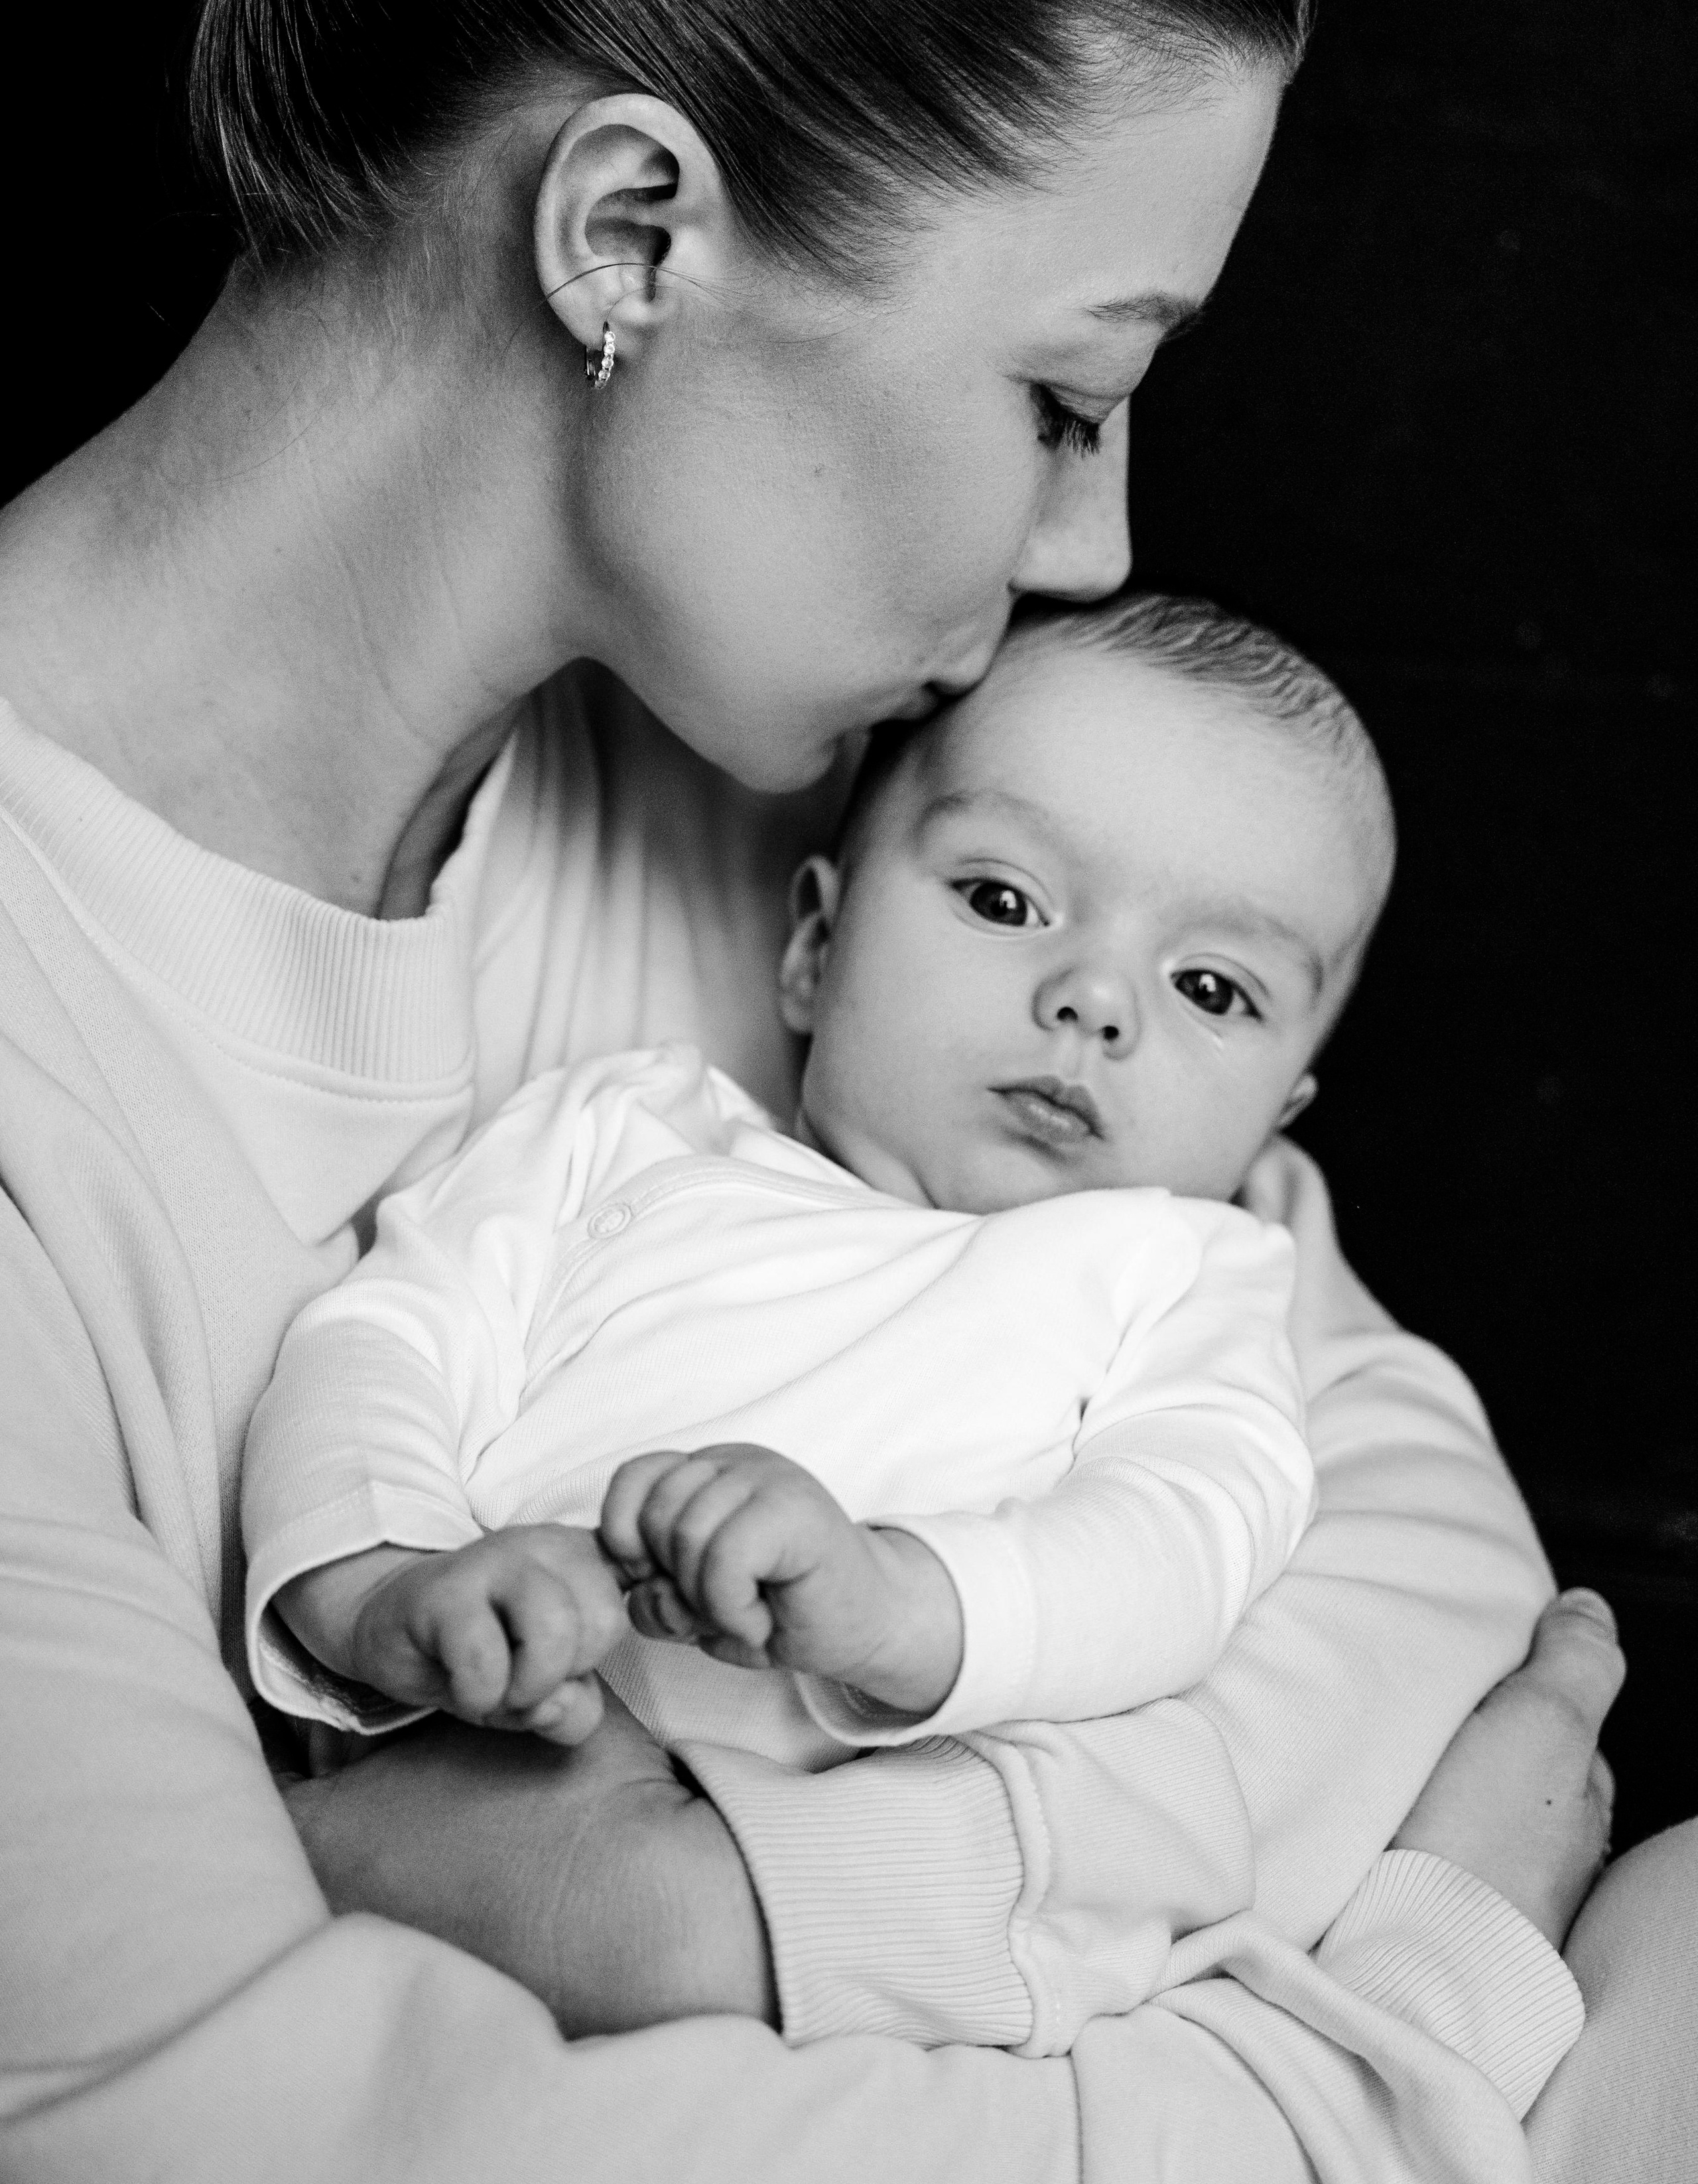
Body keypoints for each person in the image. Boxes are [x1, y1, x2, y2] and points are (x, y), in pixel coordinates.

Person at [0, 0, 1677, 2184]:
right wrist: (1417, 2016)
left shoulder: (826, 786)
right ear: (633, 236)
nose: (1104, 542)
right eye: (1064, 391)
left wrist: (770, 1903)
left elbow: (1392, 1501)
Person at [242, 594, 1387, 1773]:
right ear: (814, 952)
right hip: (436, 1759)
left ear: (1273, 1124)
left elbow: (1185, 1545)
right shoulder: (623, 1132)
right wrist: (388, 1586)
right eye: (1006, 901)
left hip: (814, 1871)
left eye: (1212, 988)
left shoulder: (1186, 1280)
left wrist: (896, 1597)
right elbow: (378, 1350)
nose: (1095, 1000)